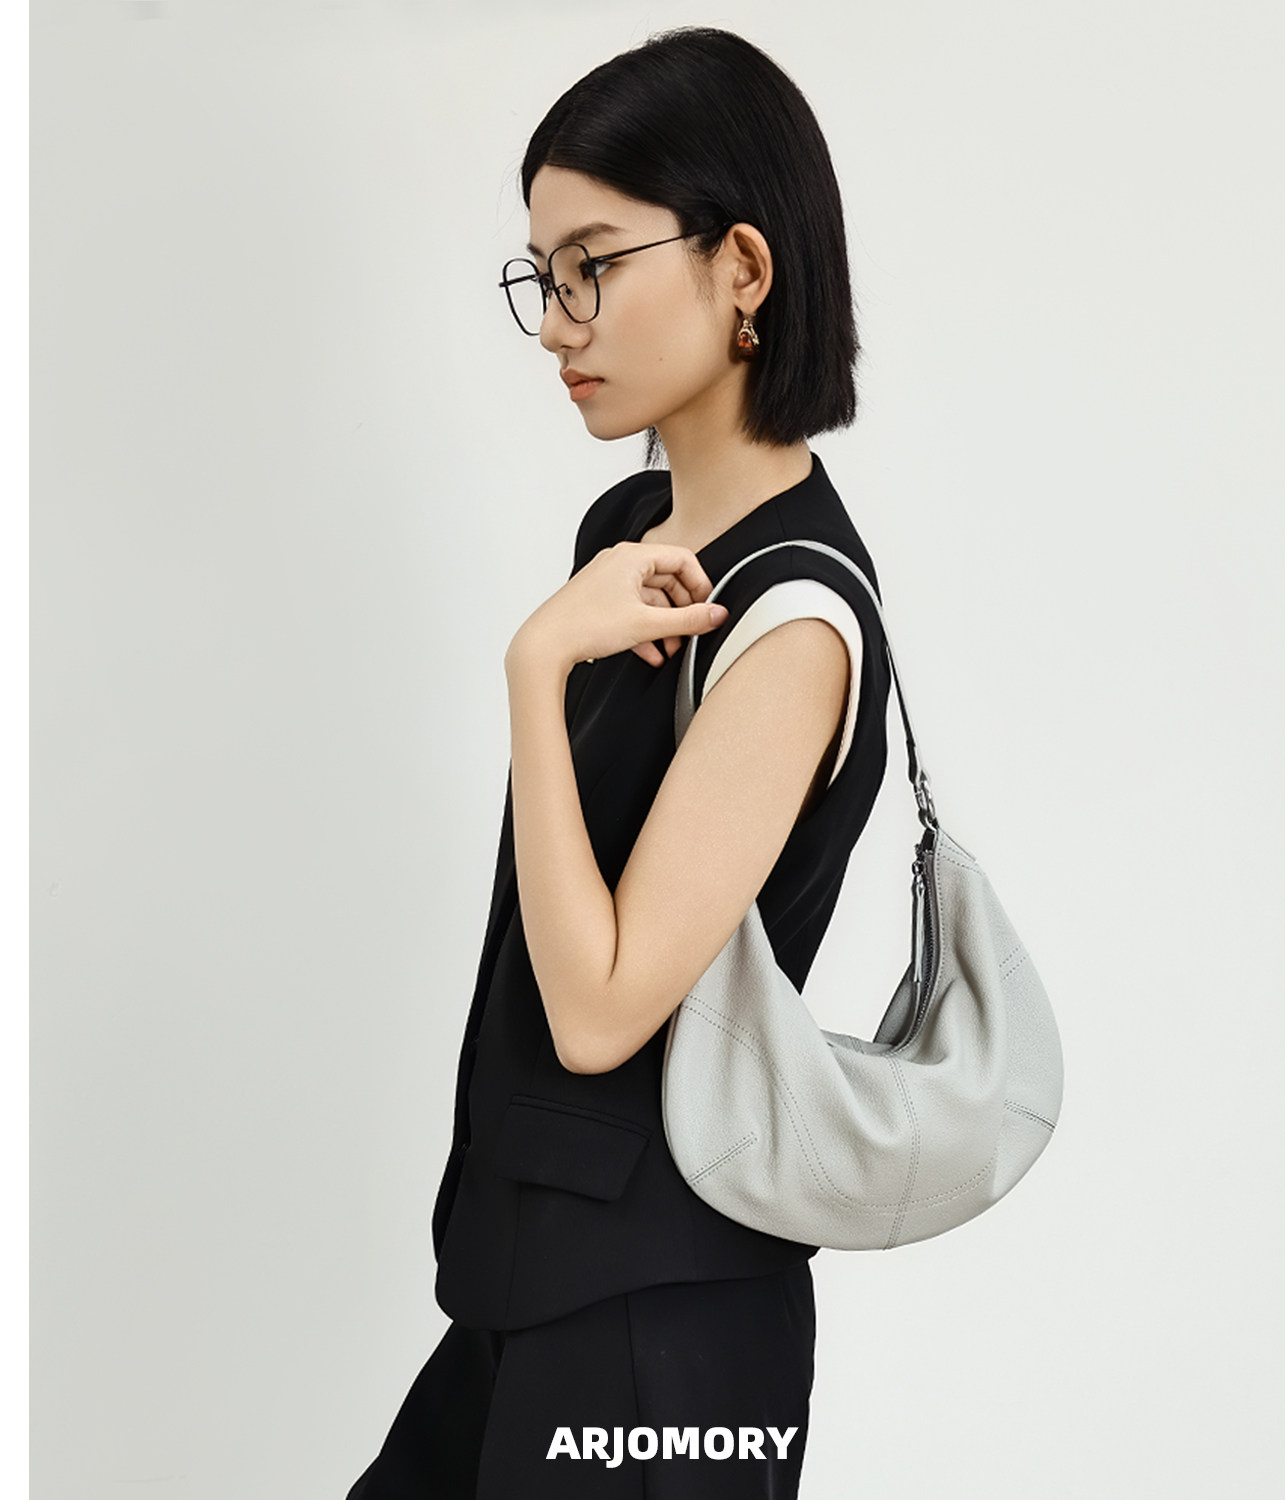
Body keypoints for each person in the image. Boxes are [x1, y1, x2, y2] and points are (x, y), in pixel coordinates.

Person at [346, 27, 893, 1499]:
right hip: (530, 1279)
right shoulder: (627, 538)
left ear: (743, 270)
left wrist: (535, 672)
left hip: (662, 1329)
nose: (555, 322)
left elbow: (597, 1012)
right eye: (542, 274)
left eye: (591, 265)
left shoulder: (795, 624)